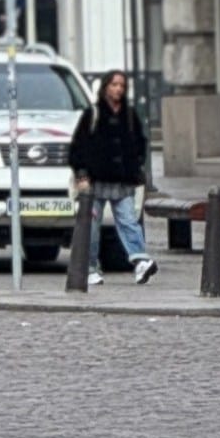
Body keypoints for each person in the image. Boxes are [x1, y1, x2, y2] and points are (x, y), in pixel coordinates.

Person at [67, 70, 157, 286]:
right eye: (114, 84)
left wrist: (136, 167)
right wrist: (81, 174)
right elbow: (78, 147)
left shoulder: (129, 114)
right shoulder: (93, 114)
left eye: (122, 85)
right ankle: (89, 267)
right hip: (95, 181)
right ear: (105, 86)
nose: (118, 89)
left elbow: (140, 143)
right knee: (91, 226)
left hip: (122, 180)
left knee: (128, 221)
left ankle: (140, 261)